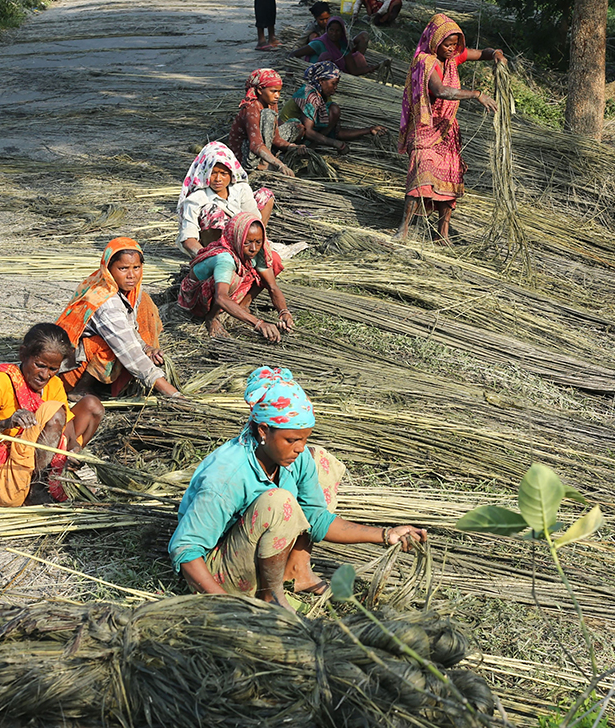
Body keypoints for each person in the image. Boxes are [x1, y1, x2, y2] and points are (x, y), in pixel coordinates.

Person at [168, 366, 427, 606]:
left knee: (321, 461)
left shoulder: (296, 457)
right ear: (263, 431)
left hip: (258, 549)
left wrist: (386, 534)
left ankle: (296, 570)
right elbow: (185, 549)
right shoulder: (226, 477)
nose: (300, 448)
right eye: (291, 439)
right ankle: (270, 597)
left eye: (304, 438)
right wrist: (227, 606)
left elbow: (317, 519)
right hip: (222, 572)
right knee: (278, 502)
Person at [0, 323, 105, 507]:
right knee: (54, 412)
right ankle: (37, 490)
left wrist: (73, 453)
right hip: (8, 474)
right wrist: (6, 423)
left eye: (53, 369)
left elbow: (70, 435)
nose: (45, 375)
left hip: (40, 458)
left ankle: (54, 476)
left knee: (92, 406)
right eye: (39, 365)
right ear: (23, 354)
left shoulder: (54, 384)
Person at [396, 13, 506, 243]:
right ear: (436, 41)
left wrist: (496, 54)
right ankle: (402, 230)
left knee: (451, 180)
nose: (451, 49)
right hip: (426, 128)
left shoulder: (453, 58)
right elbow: (441, 91)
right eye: (447, 44)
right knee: (421, 176)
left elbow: (481, 53)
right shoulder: (425, 62)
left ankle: (442, 233)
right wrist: (476, 95)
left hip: (447, 131)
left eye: (455, 45)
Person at [56, 238, 182, 401]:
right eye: (123, 268)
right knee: (108, 345)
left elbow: (129, 328)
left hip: (95, 357)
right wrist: (173, 394)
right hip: (71, 369)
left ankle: (116, 382)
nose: (132, 275)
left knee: (145, 304)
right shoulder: (105, 301)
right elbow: (128, 349)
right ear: (108, 269)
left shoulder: (130, 290)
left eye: (136, 267)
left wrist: (147, 347)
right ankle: (81, 389)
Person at [178, 211, 292, 340]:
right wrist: (258, 323)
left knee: (273, 260)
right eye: (247, 242)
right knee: (232, 278)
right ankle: (212, 317)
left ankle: (243, 305)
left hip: (225, 289)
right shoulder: (225, 259)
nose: (253, 248)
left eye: (258, 242)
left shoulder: (257, 251)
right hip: (198, 296)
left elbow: (272, 286)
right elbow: (221, 297)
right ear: (237, 238)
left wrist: (284, 312)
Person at [177, 141, 275, 258]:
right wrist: (206, 257)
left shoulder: (240, 189)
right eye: (213, 173)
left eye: (223, 173)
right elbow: (188, 239)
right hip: (212, 247)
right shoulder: (196, 199)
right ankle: (220, 253)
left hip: (240, 237)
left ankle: (255, 246)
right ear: (206, 174)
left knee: (265, 195)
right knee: (212, 211)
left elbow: (254, 219)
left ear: (231, 174)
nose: (218, 179)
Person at [278, 62, 386, 154]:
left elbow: (337, 133)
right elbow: (308, 131)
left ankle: (313, 145)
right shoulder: (308, 95)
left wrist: (369, 130)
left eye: (337, 84)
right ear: (321, 81)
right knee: (300, 127)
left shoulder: (324, 97)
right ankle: (294, 149)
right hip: (285, 133)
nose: (335, 87)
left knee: (334, 109)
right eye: (333, 83)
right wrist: (335, 144)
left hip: (304, 133)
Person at [230, 69, 307, 176]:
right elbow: (255, 144)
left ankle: (270, 157)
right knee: (268, 114)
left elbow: (275, 138)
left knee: (297, 127)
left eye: (279, 91)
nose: (277, 95)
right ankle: (264, 163)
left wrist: (291, 147)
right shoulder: (251, 108)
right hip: (247, 155)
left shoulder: (271, 104)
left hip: (262, 143)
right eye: (273, 91)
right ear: (260, 90)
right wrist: (280, 165)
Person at [290, 16, 385, 77]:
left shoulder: (343, 47)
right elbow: (294, 54)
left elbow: (353, 70)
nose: (334, 33)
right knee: (326, 57)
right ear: (327, 30)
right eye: (331, 30)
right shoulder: (319, 43)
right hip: (316, 77)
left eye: (338, 31)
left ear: (342, 32)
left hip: (333, 80)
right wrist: (292, 71)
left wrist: (374, 67)